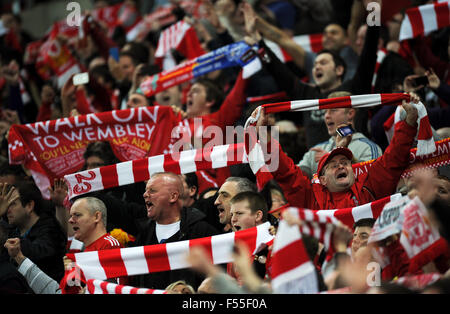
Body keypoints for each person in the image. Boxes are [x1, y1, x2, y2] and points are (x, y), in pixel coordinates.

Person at [249, 93, 420, 210]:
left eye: (345, 163)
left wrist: (410, 121)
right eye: (333, 165)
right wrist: (264, 134)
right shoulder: (311, 198)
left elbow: (394, 159)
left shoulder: (369, 186)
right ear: (321, 179)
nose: (341, 166)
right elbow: (285, 172)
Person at [119, 172, 220, 290]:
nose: (145, 195)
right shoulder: (144, 234)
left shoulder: (202, 232)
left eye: (152, 190)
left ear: (173, 197)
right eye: (146, 190)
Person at [4, 196, 122, 294]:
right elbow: (64, 292)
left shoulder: (110, 245)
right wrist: (19, 257)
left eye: (77, 215)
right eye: (71, 216)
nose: (71, 220)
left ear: (96, 217)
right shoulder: (75, 251)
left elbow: (117, 289)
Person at [298, 91, 382, 178]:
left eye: (333, 110)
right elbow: (295, 177)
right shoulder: (316, 151)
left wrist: (334, 158)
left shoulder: (368, 148)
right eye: (325, 111)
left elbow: (373, 179)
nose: (326, 115)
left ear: (350, 113)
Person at [0, 181, 66, 282]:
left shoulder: (50, 229)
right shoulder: (11, 229)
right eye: (6, 204)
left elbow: (37, 256)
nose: (7, 209)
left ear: (29, 206)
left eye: (12, 204)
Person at [228, 191, 269, 280]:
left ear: (258, 216)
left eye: (239, 213)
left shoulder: (273, 247)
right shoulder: (234, 249)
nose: (233, 219)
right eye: (232, 215)